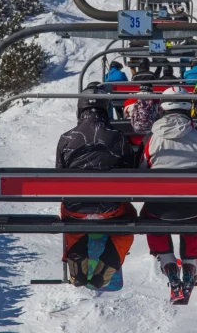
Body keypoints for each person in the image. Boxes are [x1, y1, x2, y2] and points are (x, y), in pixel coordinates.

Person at [140, 87, 197, 299]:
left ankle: (169, 267)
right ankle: (190, 266)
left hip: (159, 209)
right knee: (195, 218)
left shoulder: (151, 139)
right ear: (188, 107)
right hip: (193, 208)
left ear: (162, 107)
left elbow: (139, 173)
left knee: (150, 218)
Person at [56, 84, 138, 288]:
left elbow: (59, 175)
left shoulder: (66, 138)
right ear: (106, 109)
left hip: (75, 210)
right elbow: (130, 173)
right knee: (129, 216)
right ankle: (112, 257)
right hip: (110, 210)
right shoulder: (117, 137)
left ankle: (76, 249)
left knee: (69, 211)